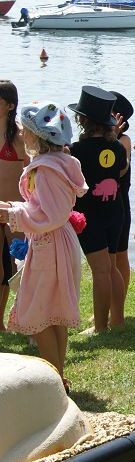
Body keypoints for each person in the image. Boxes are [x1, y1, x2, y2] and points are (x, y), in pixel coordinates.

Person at [0, 102, 87, 391]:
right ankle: (58, 378)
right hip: (58, 242)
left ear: (38, 136)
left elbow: (51, 214)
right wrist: (13, 205)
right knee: (54, 313)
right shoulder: (58, 164)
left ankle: (54, 381)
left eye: (25, 131)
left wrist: (11, 215)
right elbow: (45, 208)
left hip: (50, 244)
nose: (21, 134)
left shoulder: (46, 171)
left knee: (40, 316)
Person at [68, 86, 128, 333]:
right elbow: (122, 171)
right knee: (111, 266)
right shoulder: (116, 147)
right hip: (116, 211)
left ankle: (101, 327)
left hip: (89, 216)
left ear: (83, 120)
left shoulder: (76, 151)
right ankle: (118, 319)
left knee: (100, 271)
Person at [0, 80, 26, 332]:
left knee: (19, 268)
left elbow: (35, 170)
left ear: (9, 105)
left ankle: (25, 320)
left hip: (15, 212)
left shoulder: (18, 136)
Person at [109, 91, 134, 307]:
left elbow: (121, 170)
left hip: (119, 203)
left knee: (119, 255)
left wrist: (113, 137)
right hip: (99, 204)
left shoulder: (123, 140)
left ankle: (119, 302)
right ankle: (108, 299)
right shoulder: (92, 139)